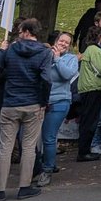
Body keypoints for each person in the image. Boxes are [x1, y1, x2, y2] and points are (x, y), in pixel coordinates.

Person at [0, 18, 52, 201]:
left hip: (10, 103)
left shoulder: (11, 50)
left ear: (26, 32)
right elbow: (46, 79)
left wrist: (1, 50)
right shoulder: (44, 52)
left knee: (5, 148)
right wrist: (43, 101)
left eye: (20, 30)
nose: (18, 33)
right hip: (32, 103)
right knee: (29, 147)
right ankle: (24, 186)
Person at [32, 31, 78, 187]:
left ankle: (47, 169)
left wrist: (57, 59)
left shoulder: (71, 59)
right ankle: (37, 166)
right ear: (56, 41)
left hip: (59, 102)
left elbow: (67, 75)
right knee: (33, 138)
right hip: (41, 101)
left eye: (67, 42)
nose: (63, 44)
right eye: (61, 40)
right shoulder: (45, 54)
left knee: (49, 137)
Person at [77, 25, 101, 162]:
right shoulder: (96, 50)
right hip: (93, 88)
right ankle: (84, 151)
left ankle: (84, 149)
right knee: (90, 120)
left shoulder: (89, 49)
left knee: (87, 119)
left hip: (88, 88)